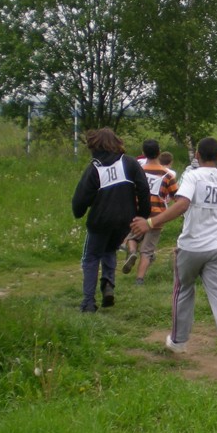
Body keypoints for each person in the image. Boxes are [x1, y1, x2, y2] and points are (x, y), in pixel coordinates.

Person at [131, 137, 217, 376]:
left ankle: (178, 341)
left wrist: (151, 222)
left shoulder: (193, 176)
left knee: (183, 290)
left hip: (191, 247)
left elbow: (182, 204)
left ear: (197, 155)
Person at [72, 127, 151, 313]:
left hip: (100, 220)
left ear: (95, 146)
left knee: (91, 258)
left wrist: (79, 211)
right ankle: (108, 284)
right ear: (116, 142)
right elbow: (143, 189)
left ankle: (88, 302)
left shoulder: (94, 168)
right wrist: (142, 215)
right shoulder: (129, 162)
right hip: (124, 219)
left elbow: (81, 198)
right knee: (109, 250)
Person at [122, 139, 179, 284]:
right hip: (157, 216)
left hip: (138, 213)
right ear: (159, 153)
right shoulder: (168, 175)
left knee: (132, 237)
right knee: (147, 250)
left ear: (143, 153)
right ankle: (139, 279)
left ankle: (132, 252)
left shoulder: (137, 171)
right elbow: (177, 197)